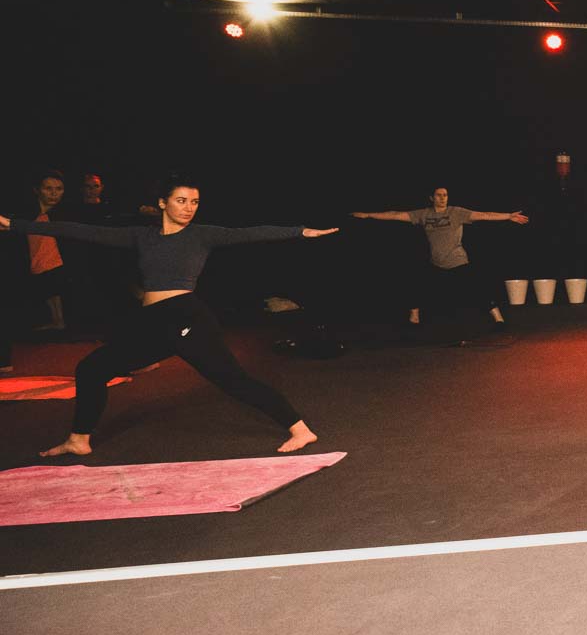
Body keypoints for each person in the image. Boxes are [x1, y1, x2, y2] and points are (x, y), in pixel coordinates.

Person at [0, 177, 337, 457]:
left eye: (194, 202)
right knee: (91, 368)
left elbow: (250, 232)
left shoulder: (202, 235)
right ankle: (79, 439)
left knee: (233, 380)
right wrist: (14, 224)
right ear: (162, 203)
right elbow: (80, 231)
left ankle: (299, 428)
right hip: (155, 323)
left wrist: (301, 231)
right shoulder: (141, 236)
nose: (188, 208)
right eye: (181, 201)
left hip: (186, 317)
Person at [351, 188, 528, 330]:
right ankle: (414, 319)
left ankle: (499, 320)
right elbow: (395, 214)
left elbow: (484, 215)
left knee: (478, 289)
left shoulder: (456, 212)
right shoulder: (423, 214)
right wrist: (368, 215)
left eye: (445, 195)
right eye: (439, 195)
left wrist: (508, 216)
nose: (443, 198)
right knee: (417, 285)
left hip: (458, 261)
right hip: (437, 263)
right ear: (431, 197)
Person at [20, 171, 69, 331]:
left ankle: (58, 321)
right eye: (48, 188)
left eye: (59, 188)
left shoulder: (65, 215)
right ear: (37, 190)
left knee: (54, 290)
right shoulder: (24, 213)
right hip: (33, 263)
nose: (54, 193)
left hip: (55, 263)